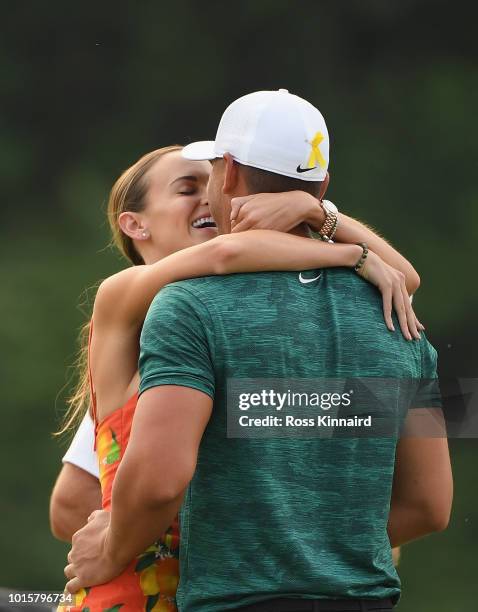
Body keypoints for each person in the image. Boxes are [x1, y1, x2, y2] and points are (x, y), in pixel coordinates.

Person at [63, 90, 452, 611]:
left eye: (209, 180)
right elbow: (430, 506)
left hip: (211, 589)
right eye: (186, 188)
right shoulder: (131, 296)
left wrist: (324, 222)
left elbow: (406, 277)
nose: (206, 199)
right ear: (135, 223)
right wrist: (338, 235)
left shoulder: (193, 312)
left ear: (229, 174)